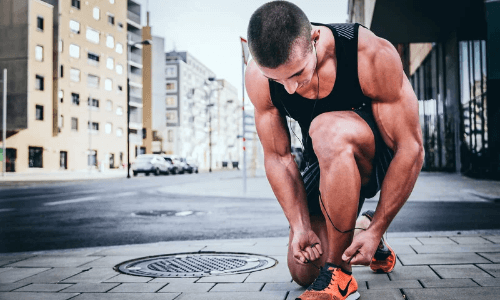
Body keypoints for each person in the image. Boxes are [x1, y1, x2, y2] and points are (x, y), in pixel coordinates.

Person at [245, 1, 424, 300]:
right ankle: (358, 226)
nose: (289, 89)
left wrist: (379, 228)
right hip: (324, 161)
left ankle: (341, 278)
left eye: (298, 73)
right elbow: (278, 157)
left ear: (315, 39)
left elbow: (411, 147)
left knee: (326, 128)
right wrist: (300, 226)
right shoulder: (258, 77)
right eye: (278, 80)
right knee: (304, 271)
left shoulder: (368, 53)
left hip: (374, 158)